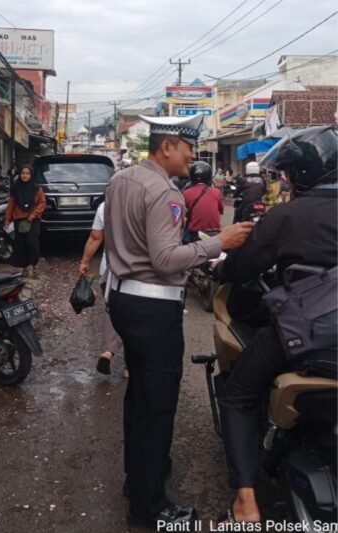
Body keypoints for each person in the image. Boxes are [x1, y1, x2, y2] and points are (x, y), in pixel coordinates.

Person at [104, 113, 253, 529]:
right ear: (166, 146)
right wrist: (218, 243)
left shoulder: (123, 180)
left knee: (139, 402)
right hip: (153, 308)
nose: (193, 154)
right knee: (156, 407)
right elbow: (166, 259)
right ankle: (149, 509)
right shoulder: (165, 193)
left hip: (124, 300)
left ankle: (140, 480)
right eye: (188, 146)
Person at [213, 125, 337, 525]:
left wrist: (222, 265)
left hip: (307, 336)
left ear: (298, 175)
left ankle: (246, 502)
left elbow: (245, 266)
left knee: (238, 395)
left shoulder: (285, 216)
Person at [78, 199, 127, 378]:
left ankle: (108, 351)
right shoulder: (141, 201)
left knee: (111, 310)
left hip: (109, 266)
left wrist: (84, 261)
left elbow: (95, 237)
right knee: (134, 312)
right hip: (135, 267)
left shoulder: (105, 206)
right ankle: (130, 364)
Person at [4, 164, 46, 278]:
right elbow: (11, 203)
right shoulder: (16, 187)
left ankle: (33, 266)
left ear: (31, 175)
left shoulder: (36, 187)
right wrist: (7, 218)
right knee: (21, 244)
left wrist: (33, 214)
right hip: (19, 218)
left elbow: (42, 203)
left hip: (33, 220)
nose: (25, 176)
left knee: (32, 243)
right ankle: (24, 267)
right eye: (23, 173)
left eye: (27, 173)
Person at [182, 161, 224, 243]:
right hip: (214, 234)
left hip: (194, 234)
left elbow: (182, 214)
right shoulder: (216, 192)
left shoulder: (186, 193)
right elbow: (221, 210)